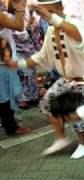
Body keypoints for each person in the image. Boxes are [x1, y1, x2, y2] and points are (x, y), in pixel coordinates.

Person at [6, 0, 84, 158]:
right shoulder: (51, 32)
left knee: (72, 111)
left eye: (50, 11)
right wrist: (18, 63)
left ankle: (83, 143)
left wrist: (52, 17)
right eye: (44, 13)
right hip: (65, 80)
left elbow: (78, 36)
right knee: (47, 104)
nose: (46, 16)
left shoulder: (75, 24)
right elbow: (41, 57)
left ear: (60, 8)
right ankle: (61, 139)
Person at [0, 0, 31, 136]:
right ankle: (10, 127)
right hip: (3, 63)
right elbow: (19, 26)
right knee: (6, 95)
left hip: (4, 61)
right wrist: (18, 8)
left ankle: (9, 122)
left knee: (6, 94)